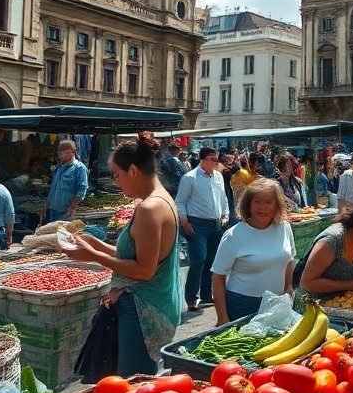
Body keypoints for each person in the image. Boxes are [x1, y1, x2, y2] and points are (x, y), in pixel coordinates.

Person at [62, 131, 182, 376]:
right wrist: (97, 245)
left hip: (143, 311)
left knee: (133, 384)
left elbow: (144, 270)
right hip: (152, 305)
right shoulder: (161, 200)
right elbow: (139, 255)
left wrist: (94, 257)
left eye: (117, 175)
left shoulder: (149, 208)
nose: (116, 183)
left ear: (134, 171)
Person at [210, 178, 296, 324]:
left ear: (277, 205)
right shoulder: (233, 235)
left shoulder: (284, 227)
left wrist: (288, 287)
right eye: (257, 201)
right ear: (248, 204)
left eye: (268, 202)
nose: (263, 208)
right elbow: (218, 277)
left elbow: (289, 259)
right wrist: (222, 317)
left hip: (277, 303)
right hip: (242, 305)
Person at [175, 147, 230, 312]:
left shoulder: (218, 176)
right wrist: (184, 221)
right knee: (199, 259)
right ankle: (191, 297)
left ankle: (206, 294)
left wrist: (225, 215)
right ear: (203, 160)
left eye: (216, 159)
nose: (215, 162)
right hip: (196, 224)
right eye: (212, 159)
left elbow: (224, 199)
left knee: (211, 261)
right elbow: (180, 201)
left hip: (216, 224)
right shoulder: (190, 178)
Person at [47, 140, 89, 223]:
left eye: (64, 151)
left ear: (73, 151)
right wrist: (47, 205)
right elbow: (53, 189)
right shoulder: (59, 167)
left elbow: (82, 190)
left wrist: (73, 206)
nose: (60, 153)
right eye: (59, 151)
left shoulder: (79, 168)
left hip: (66, 212)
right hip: (53, 210)